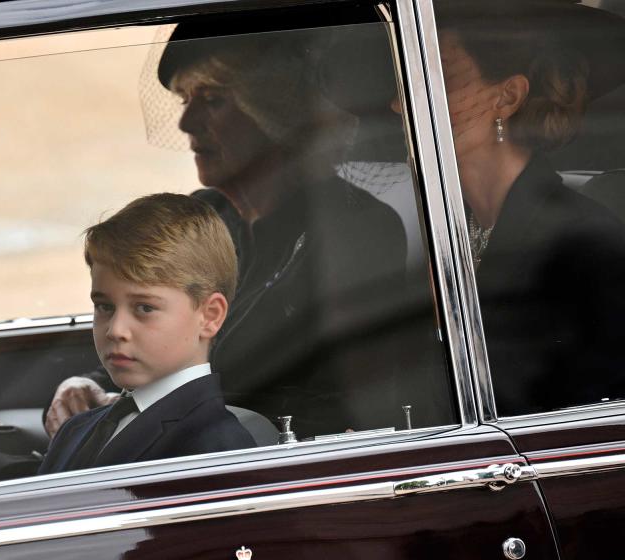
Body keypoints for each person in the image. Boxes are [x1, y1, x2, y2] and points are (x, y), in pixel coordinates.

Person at [46, 19, 424, 439]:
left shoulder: (356, 228)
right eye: (186, 99)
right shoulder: (205, 215)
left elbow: (339, 402)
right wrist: (88, 384)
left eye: (212, 100)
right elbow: (140, 317)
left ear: (273, 109)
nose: (186, 122)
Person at [431, 0, 625, 414]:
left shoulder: (583, 241)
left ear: (508, 96)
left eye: (440, 79)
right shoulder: (445, 229)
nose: (400, 104)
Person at [39, 193, 255, 473]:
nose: (116, 330)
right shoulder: (76, 429)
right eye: (104, 306)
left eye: (144, 308)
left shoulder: (215, 451)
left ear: (209, 316)